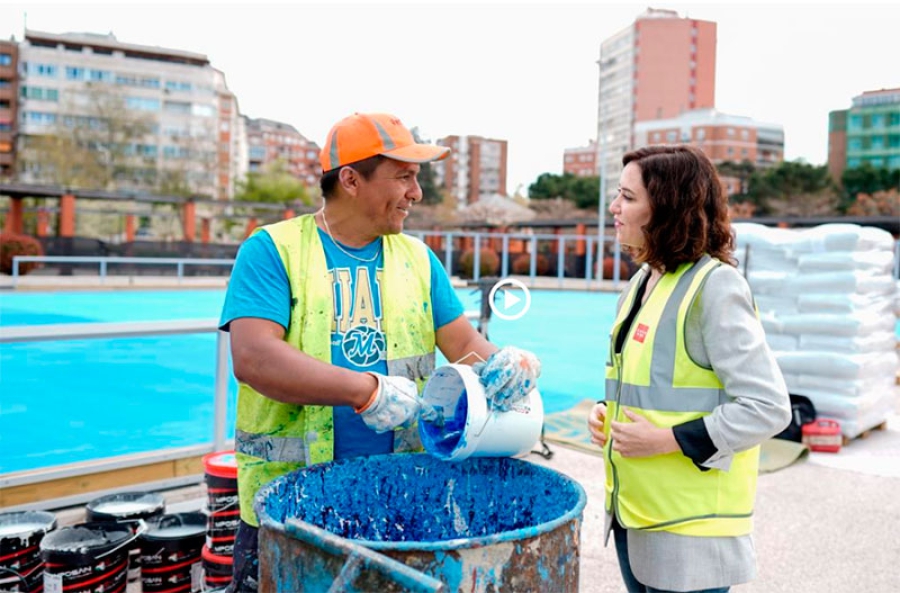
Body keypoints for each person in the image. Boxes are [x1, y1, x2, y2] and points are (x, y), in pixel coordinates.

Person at [219, 112, 541, 592]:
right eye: (404, 176)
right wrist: (365, 391)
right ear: (350, 179)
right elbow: (255, 359)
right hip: (293, 511)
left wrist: (501, 363)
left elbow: (464, 345)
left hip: (400, 502)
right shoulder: (272, 250)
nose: (417, 193)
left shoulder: (417, 258)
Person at [586, 145, 791, 593]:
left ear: (666, 208)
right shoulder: (643, 281)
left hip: (690, 532)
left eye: (627, 196)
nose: (614, 207)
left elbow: (769, 407)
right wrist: (607, 412)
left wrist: (667, 440)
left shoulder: (715, 288)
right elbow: (649, 382)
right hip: (636, 517)